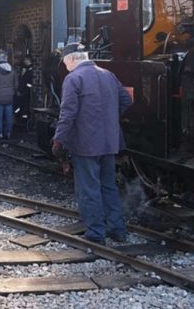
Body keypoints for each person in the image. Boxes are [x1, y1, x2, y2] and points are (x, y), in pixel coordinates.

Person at [53, 43, 133, 245]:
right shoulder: (108, 74)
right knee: (109, 187)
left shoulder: (74, 78)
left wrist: (58, 139)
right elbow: (126, 100)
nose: (65, 67)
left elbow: (67, 113)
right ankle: (117, 229)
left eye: (65, 63)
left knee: (89, 189)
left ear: (71, 59)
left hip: (86, 143)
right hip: (110, 142)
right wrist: (109, 118)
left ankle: (96, 233)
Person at [15, 56, 34, 123]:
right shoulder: (26, 68)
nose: (24, 61)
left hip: (26, 92)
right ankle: (21, 118)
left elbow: (28, 82)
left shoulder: (30, 69)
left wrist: (24, 88)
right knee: (22, 106)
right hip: (24, 91)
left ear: (28, 60)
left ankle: (24, 119)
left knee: (25, 106)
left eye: (25, 60)